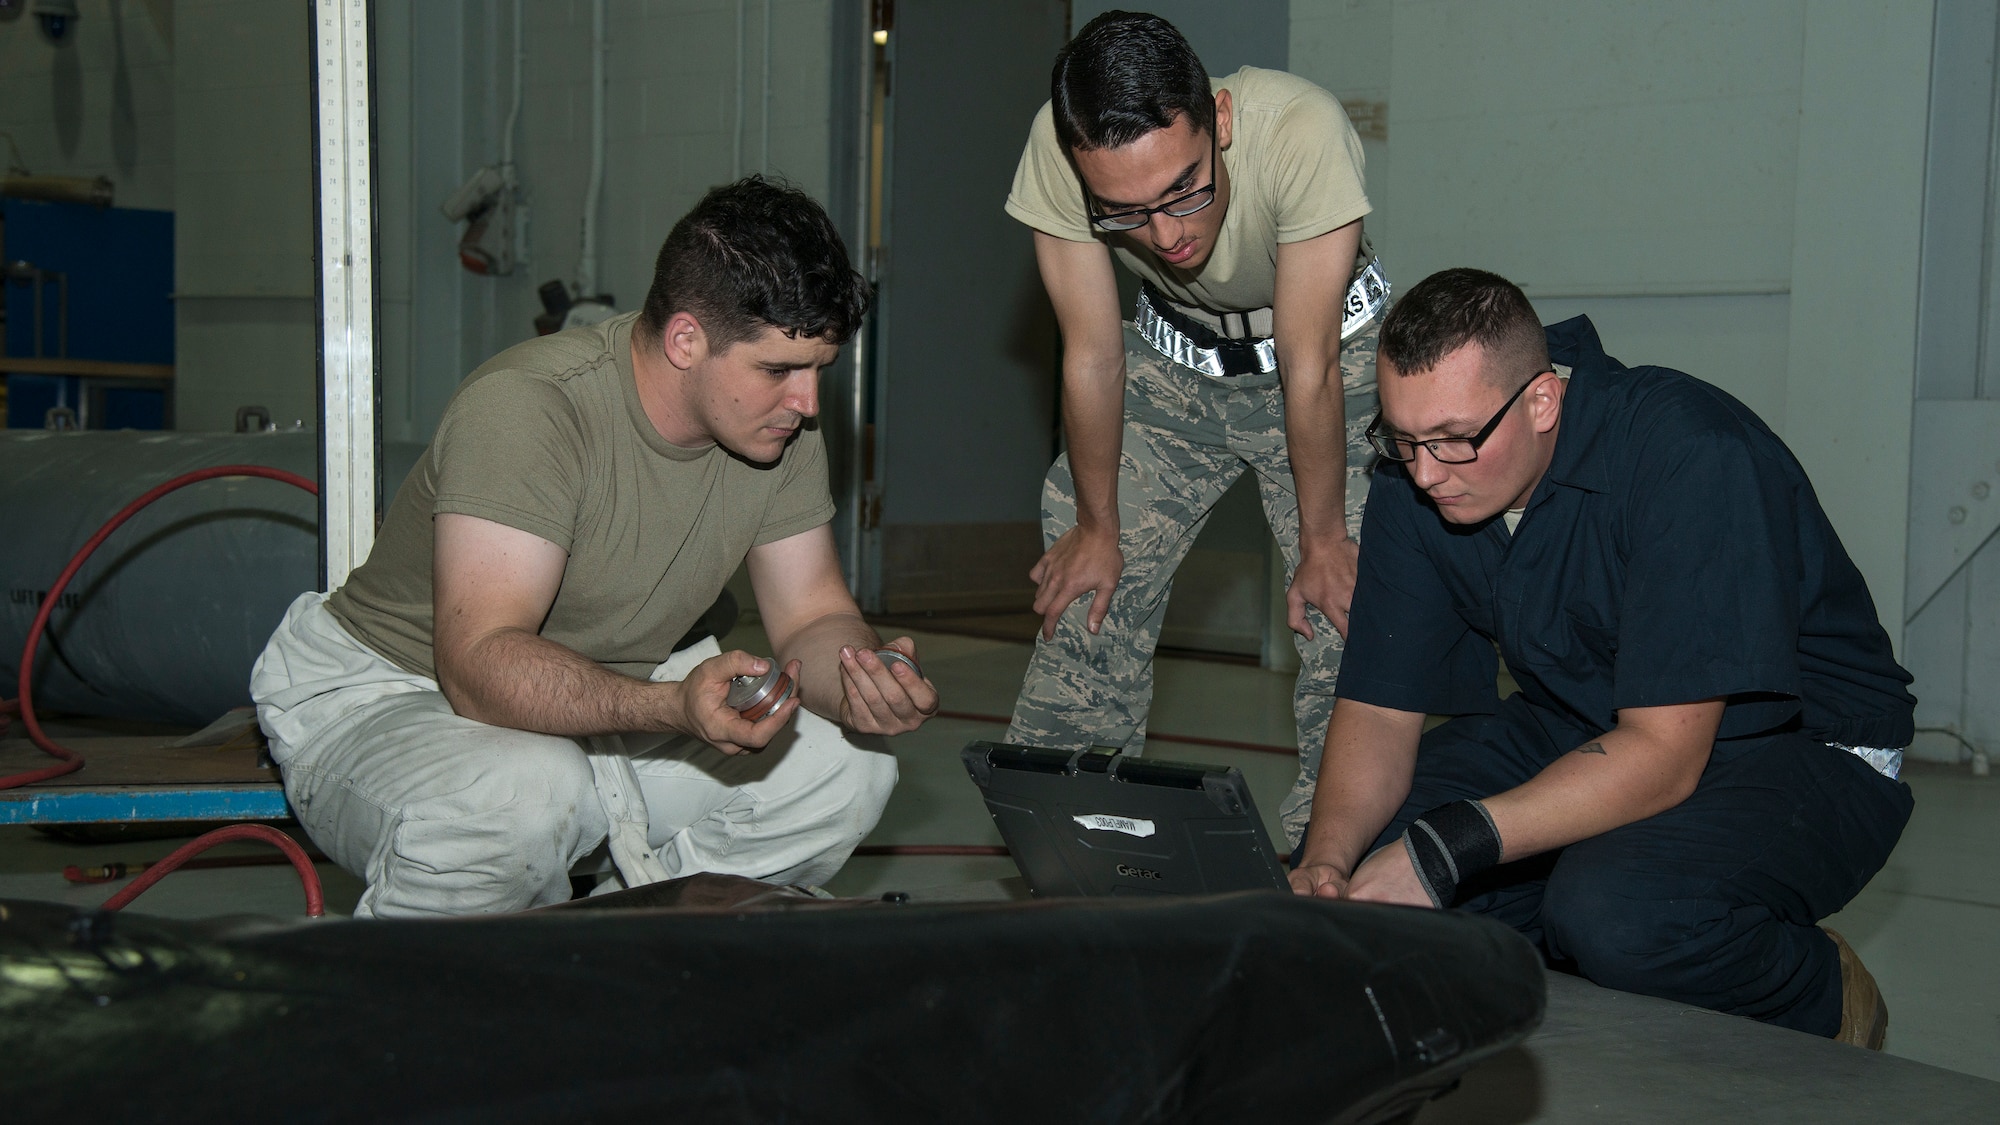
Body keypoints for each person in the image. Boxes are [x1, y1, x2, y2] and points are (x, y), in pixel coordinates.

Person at [250, 177, 938, 918]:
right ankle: (408, 1012)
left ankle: (633, 958)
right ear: (685, 340)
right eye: (777, 369)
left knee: (846, 766)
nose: (806, 403)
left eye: (816, 372)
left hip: (605, 708)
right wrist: (671, 704)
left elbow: (810, 615)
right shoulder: (530, 410)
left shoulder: (775, 428)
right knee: (528, 789)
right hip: (397, 696)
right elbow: (480, 666)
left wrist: (865, 682)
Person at [1290, 268, 1915, 1047]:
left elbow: (1663, 756)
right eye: (1403, 439)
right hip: (1593, 713)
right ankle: (1582, 913)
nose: (1424, 472)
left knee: (1618, 911)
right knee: (1361, 875)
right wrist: (1325, 860)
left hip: (1800, 745)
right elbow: (1380, 711)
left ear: (1543, 400)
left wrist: (1447, 851)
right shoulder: (1419, 480)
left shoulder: (1687, 453)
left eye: (1454, 440)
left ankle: (1819, 988)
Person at [1003, 11, 1391, 844]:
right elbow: (1093, 354)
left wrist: (1324, 541)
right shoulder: (1058, 143)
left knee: (1351, 606)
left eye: (1185, 188)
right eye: (1127, 212)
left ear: (1217, 120)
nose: (1169, 234)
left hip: (1332, 363)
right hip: (1172, 369)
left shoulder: (1300, 130)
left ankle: (1332, 857)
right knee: (1089, 587)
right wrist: (1098, 525)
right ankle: (1076, 843)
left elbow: (1310, 363)